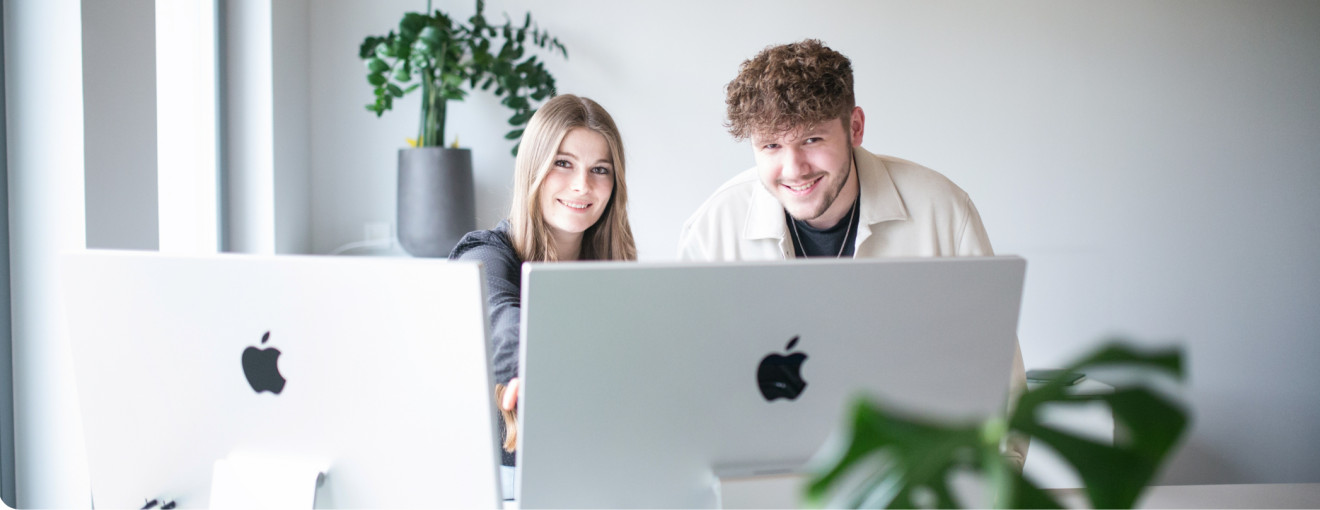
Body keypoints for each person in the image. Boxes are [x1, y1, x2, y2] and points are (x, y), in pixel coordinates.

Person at [677, 39, 1028, 469]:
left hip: (912, 487)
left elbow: (1001, 395)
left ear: (855, 128)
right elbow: (687, 403)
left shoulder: (943, 211)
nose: (794, 168)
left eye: (811, 138)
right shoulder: (712, 229)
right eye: (770, 146)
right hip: (759, 483)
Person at [450, 94, 636, 467]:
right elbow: (503, 326)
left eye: (600, 169)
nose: (582, 185)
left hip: (595, 469)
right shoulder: (484, 254)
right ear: (533, 168)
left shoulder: (616, 270)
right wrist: (538, 369)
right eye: (563, 163)